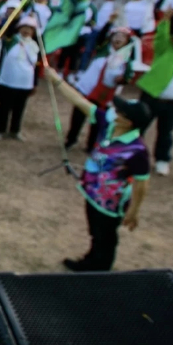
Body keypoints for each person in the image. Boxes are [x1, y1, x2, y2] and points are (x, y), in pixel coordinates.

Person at [44, 68, 151, 272]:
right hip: (93, 192)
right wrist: (57, 81)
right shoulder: (108, 123)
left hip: (111, 202)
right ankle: (90, 261)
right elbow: (80, 102)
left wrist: (134, 211)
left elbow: (142, 183)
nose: (114, 110)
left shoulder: (137, 150)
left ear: (127, 122)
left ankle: (100, 272)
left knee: (106, 237)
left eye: (120, 111)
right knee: (95, 232)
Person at [64, 26, 139, 151]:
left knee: (97, 120)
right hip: (86, 88)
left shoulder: (125, 60)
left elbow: (128, 76)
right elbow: (99, 37)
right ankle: (71, 139)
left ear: (127, 41)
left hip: (104, 94)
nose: (118, 38)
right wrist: (109, 23)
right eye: (116, 35)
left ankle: (91, 145)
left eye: (123, 37)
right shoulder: (103, 50)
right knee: (78, 115)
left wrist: (122, 80)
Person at [135, 16, 173, 176]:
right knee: (139, 126)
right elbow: (161, 36)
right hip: (151, 96)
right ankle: (131, 154)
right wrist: (166, 19)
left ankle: (162, 160)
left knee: (166, 132)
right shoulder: (165, 50)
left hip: (172, 103)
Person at [0, 15, 40, 141]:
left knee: (19, 108)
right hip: (8, 80)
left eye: (30, 29)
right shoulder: (10, 41)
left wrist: (35, 83)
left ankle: (15, 130)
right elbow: (5, 30)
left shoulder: (35, 45)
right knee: (4, 106)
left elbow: (36, 66)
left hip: (25, 81)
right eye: (24, 27)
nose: (26, 31)